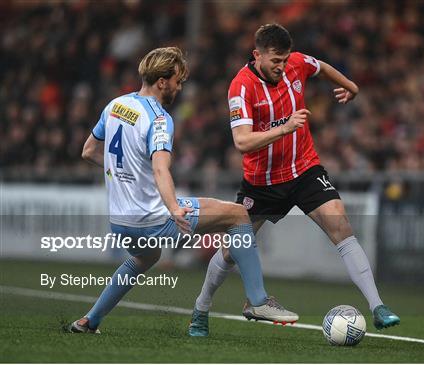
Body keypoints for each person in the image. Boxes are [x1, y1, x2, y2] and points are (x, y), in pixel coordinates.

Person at [188, 24, 399, 337]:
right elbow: (242, 142)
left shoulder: (296, 63)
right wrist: (285, 128)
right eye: (275, 60)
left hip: (304, 169)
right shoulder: (241, 87)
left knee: (340, 224)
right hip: (262, 182)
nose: (282, 66)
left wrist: (351, 86)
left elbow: (322, 66)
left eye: (285, 60)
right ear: (256, 54)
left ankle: (377, 306)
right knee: (232, 250)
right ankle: (201, 309)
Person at [69, 46, 297, 334]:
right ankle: (258, 301)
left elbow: (89, 151)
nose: (179, 86)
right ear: (162, 81)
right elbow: (161, 169)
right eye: (177, 80)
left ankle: (90, 320)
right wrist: (174, 208)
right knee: (239, 214)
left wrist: (123, 174)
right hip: (152, 217)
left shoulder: (114, 105)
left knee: (145, 257)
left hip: (120, 221)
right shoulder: (160, 119)